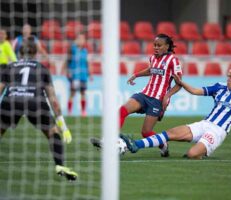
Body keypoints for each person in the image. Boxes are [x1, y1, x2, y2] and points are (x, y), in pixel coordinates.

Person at [121, 65, 231, 159]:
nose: (227, 78)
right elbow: (196, 91)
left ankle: (199, 154)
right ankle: (136, 145)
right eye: (227, 75)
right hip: (204, 124)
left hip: (217, 131)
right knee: (170, 133)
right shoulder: (219, 87)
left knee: (191, 155)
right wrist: (181, 83)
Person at [91, 33, 183, 157]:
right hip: (144, 95)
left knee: (146, 133)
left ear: (167, 46)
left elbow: (179, 83)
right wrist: (136, 75)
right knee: (122, 111)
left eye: (159, 45)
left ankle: (163, 144)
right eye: (154, 45)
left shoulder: (173, 60)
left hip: (157, 100)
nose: (156, 47)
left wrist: (167, 96)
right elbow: (151, 70)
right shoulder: (153, 58)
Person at [0, 36, 78, 180]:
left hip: (11, 100)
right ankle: (60, 165)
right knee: (52, 131)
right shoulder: (42, 68)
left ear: (19, 53)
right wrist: (64, 126)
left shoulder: (10, 67)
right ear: (36, 54)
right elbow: (52, 99)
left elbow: (0, 89)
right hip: (35, 102)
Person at [62, 32, 91, 116]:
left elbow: (86, 63)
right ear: (76, 40)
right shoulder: (73, 49)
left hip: (83, 75)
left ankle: (83, 112)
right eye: (80, 39)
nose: (81, 41)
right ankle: (69, 112)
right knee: (72, 93)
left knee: (83, 93)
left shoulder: (85, 51)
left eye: (83, 39)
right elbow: (67, 59)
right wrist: (65, 70)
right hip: (74, 76)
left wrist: (90, 74)